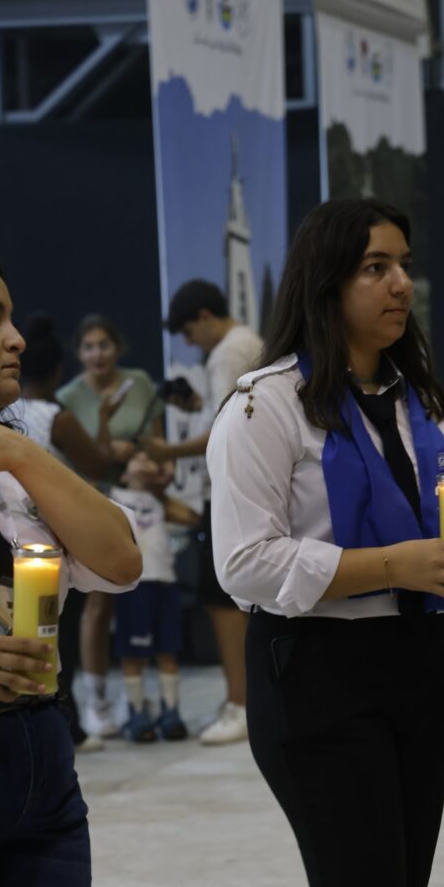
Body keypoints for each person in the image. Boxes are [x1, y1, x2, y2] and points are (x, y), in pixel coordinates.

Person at [207, 198, 444, 887]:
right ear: (326, 282)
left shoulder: (419, 401)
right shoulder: (264, 405)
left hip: (417, 665)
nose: (400, 284)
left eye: (404, 265)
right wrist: (396, 564)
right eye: (375, 268)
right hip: (315, 672)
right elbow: (243, 563)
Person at [0, 265, 143, 887]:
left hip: (44, 784)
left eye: (10, 316)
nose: (16, 339)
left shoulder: (17, 462)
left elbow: (120, 560)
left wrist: (19, 454)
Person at [143, 280, 263, 745]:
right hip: (249, 488)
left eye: (191, 334)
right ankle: (249, 699)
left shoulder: (227, 352)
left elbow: (225, 429)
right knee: (242, 598)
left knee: (222, 600)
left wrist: (168, 450)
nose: (193, 344)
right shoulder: (248, 341)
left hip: (232, 490)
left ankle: (241, 705)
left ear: (205, 317)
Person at [17, 313, 127, 752]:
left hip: (13, 542)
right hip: (52, 539)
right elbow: (98, 463)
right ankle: (71, 724)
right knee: (59, 632)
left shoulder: (8, 415)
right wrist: (103, 418)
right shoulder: (54, 417)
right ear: (58, 370)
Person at [57, 313, 164, 738]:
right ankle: (96, 699)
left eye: (104, 344)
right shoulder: (67, 397)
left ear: (118, 347)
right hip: (94, 501)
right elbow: (67, 461)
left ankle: (145, 699)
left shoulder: (139, 382)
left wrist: (143, 456)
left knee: (151, 597)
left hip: (142, 500)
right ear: (78, 353)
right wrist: (106, 450)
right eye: (89, 346)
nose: (97, 353)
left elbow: (157, 438)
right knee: (98, 603)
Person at [110, 451, 200, 743]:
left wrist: (161, 489)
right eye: (136, 458)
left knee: (168, 650)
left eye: (149, 458)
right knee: (133, 652)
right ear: (123, 473)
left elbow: (192, 518)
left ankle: (171, 712)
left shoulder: (159, 500)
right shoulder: (115, 497)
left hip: (166, 580)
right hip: (135, 584)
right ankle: (137, 713)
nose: (145, 460)